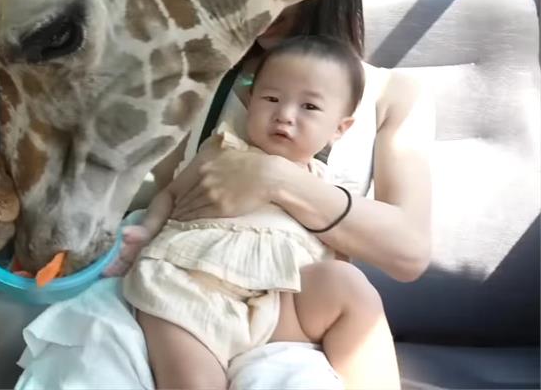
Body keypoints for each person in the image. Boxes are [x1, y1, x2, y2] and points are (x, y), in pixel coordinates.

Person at [15, 0, 434, 390]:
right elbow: (164, 192)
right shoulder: (197, 76)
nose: (254, 7)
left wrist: (275, 178)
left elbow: (409, 254)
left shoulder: (396, 93)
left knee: (351, 292)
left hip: (285, 296)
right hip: (189, 279)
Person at [119, 35, 399, 389]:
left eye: (309, 107)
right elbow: (170, 194)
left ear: (339, 129)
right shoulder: (221, 151)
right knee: (192, 381)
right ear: (250, 102)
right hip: (190, 290)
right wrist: (146, 232)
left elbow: (336, 254)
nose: (284, 115)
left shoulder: (321, 188)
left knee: (352, 287)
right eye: (271, 99)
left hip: (279, 305)